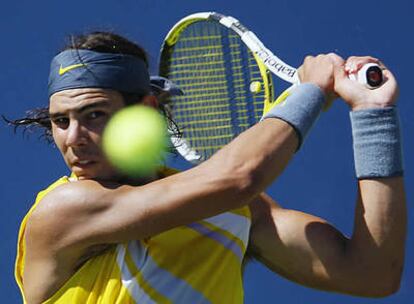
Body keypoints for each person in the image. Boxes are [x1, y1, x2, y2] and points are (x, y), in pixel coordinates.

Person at [12, 31, 406, 304]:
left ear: (145, 111)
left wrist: (373, 116)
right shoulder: (62, 209)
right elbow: (239, 177)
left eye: (93, 114)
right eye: (60, 120)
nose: (72, 137)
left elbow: (371, 273)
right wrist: (310, 93)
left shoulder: (234, 213)